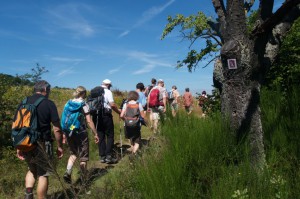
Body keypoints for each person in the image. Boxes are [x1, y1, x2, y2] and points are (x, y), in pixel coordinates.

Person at [15, 80, 64, 199]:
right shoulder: (49, 104)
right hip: (42, 143)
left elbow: (18, 126)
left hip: (25, 142)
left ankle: (28, 195)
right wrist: (60, 146)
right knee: (43, 174)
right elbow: (57, 128)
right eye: (49, 91)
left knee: (31, 169)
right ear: (45, 90)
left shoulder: (23, 102)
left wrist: (19, 147)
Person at [63, 86, 99, 184]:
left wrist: (63, 134)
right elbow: (89, 120)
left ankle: (68, 172)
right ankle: (84, 181)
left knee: (73, 153)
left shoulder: (68, 103)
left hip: (69, 132)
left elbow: (64, 119)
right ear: (83, 94)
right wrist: (95, 133)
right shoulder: (83, 104)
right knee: (83, 157)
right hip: (80, 132)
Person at [94, 79, 121, 164]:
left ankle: (102, 156)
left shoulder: (95, 91)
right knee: (110, 135)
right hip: (106, 115)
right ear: (108, 85)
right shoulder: (108, 91)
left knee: (100, 135)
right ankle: (108, 156)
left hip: (96, 116)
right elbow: (112, 104)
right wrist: (119, 112)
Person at [120, 91, 147, 156]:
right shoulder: (138, 104)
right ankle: (133, 154)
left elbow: (121, 115)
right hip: (136, 125)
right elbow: (143, 116)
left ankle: (133, 153)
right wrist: (146, 122)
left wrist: (125, 120)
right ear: (136, 96)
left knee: (131, 139)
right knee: (137, 141)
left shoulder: (125, 104)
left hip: (127, 125)